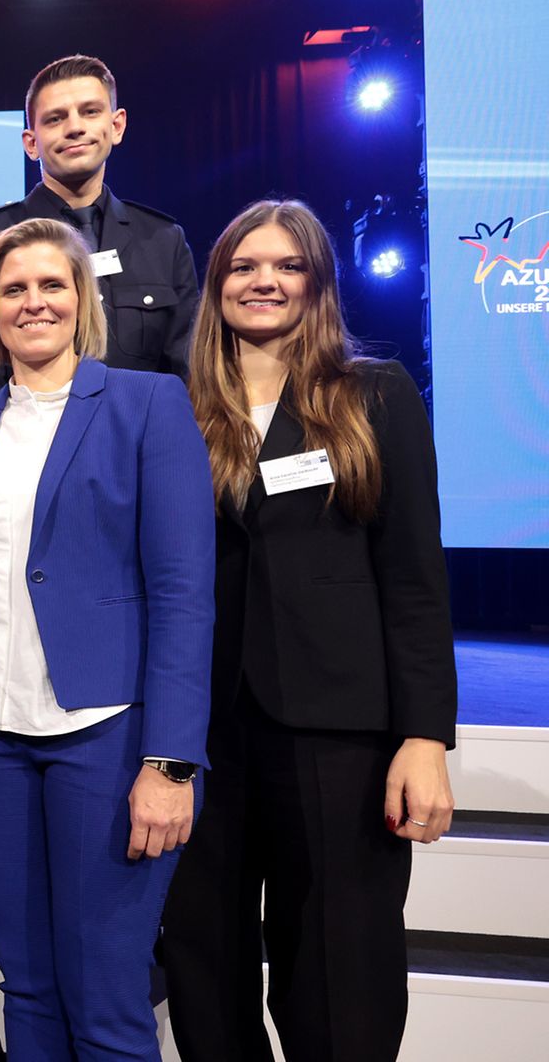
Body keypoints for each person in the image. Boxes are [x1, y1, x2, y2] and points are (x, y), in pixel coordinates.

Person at [161, 200, 457, 1062]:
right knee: (204, 962)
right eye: (245, 266)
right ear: (217, 285)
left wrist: (424, 737)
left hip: (341, 729)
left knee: (341, 966)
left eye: (288, 266)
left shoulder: (376, 394)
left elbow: (414, 580)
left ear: (317, 283)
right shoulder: (173, 408)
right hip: (203, 728)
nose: (265, 281)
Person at [0, 217, 214, 1061]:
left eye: (53, 285)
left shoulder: (148, 404)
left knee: (109, 999)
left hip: (110, 739)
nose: (33, 301)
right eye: (13, 289)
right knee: (27, 987)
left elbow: (186, 596)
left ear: (82, 301)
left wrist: (172, 762)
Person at [0, 54, 201, 410]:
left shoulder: (162, 240)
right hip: (28, 452)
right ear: (31, 142)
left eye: (90, 112)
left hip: (140, 450)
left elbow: (186, 372)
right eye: (55, 118)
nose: (75, 127)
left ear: (117, 125)